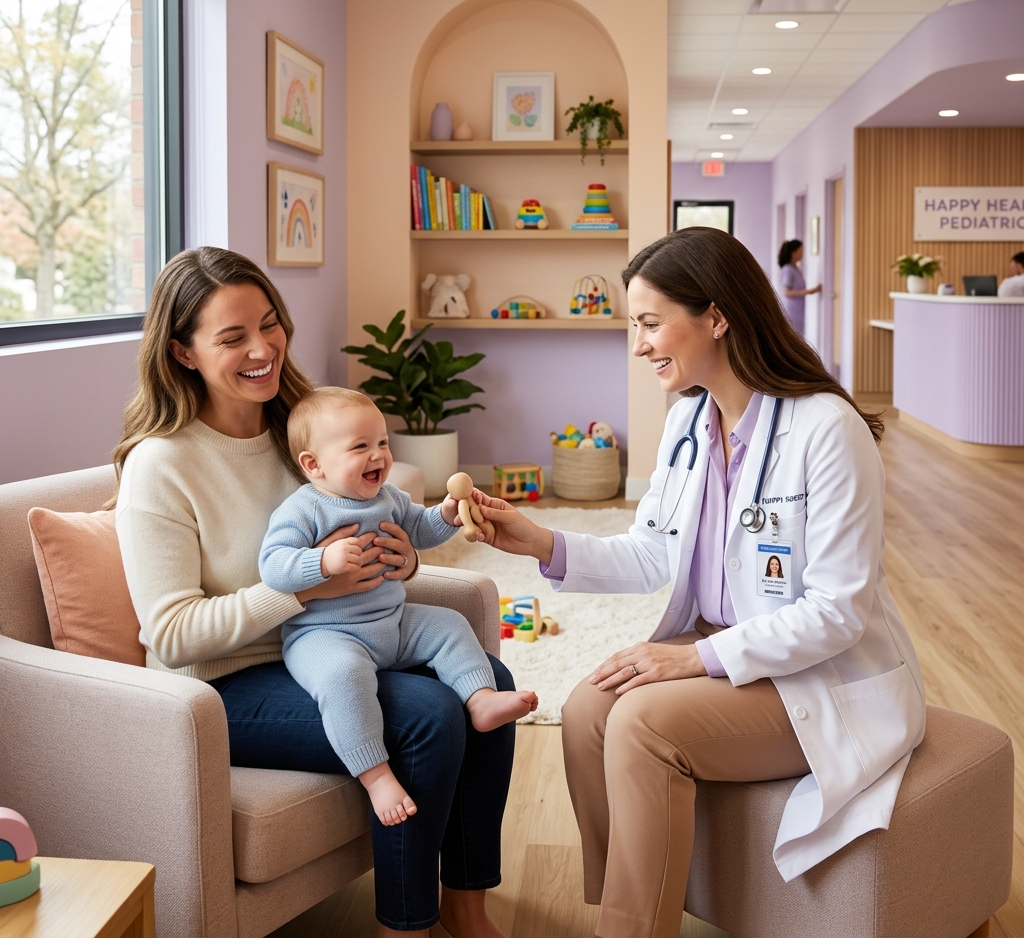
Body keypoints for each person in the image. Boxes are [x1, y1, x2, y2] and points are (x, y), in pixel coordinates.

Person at [469, 226, 926, 938]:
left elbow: (837, 612)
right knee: (588, 709)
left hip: (819, 675)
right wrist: (540, 542)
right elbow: (653, 551)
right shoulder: (689, 421)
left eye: (650, 323)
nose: (639, 345)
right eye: (634, 325)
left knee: (642, 723)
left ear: (716, 317)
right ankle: (628, 909)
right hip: (732, 649)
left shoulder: (827, 429)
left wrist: (692, 659)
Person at [114, 247, 515, 938]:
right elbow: (173, 635)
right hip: (220, 685)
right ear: (182, 352)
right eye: (232, 337)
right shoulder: (162, 464)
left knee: (492, 678)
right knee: (428, 715)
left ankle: (466, 905)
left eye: (269, 324)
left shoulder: (299, 430)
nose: (262, 348)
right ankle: (406, 926)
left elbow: (374, 522)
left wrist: (401, 560)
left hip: (333, 640)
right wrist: (305, 590)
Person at [259, 386, 537, 826]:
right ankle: (375, 776)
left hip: (393, 623)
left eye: (383, 442)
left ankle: (481, 699)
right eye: (360, 447)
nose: (378, 456)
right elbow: (273, 565)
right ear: (314, 464)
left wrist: (447, 515)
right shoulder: (303, 510)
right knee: (343, 677)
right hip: (326, 635)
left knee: (449, 624)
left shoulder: (388, 497)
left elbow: (420, 529)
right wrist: (323, 561)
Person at [778, 238, 821, 334]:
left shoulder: (795, 268)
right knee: (793, 333)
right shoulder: (788, 269)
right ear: (793, 253)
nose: (802, 254)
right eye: (800, 251)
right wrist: (809, 291)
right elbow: (787, 292)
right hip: (791, 309)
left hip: (798, 308)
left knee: (799, 333)